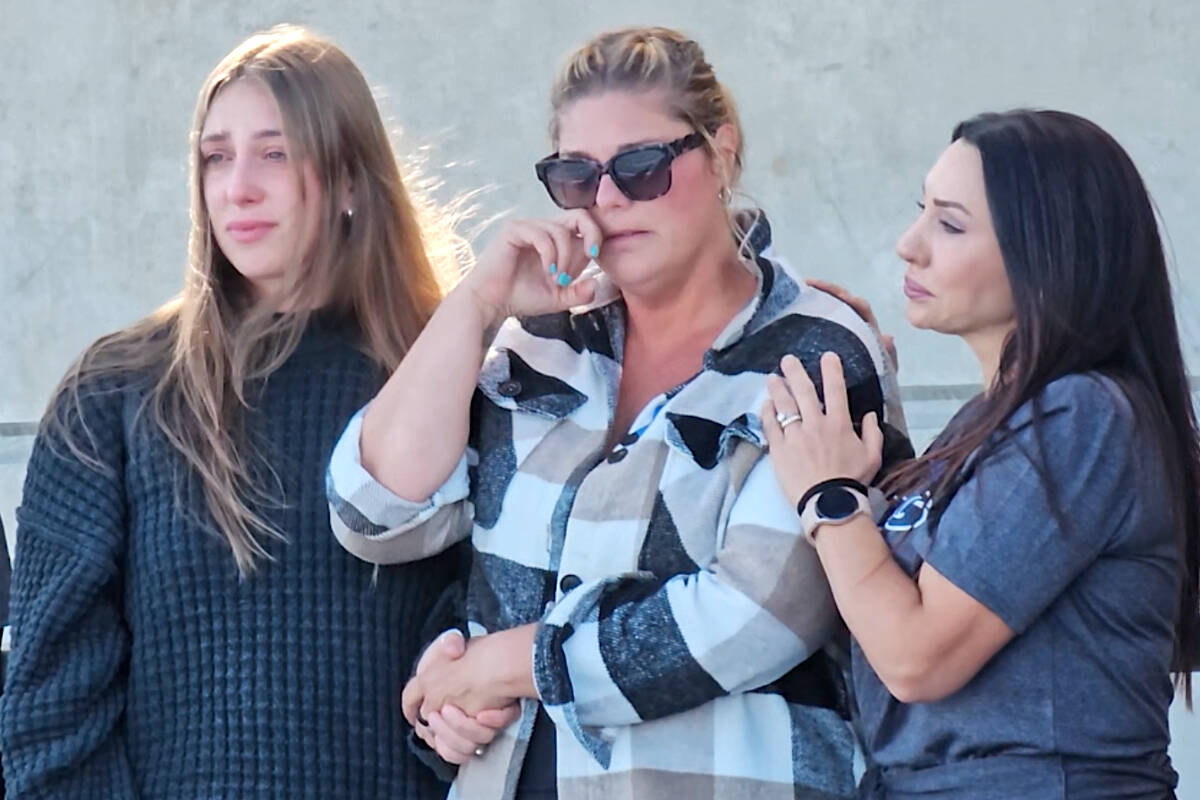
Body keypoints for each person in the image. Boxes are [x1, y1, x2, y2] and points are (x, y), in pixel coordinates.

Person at [326, 26, 911, 800]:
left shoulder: (817, 349)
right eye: (575, 176)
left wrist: (510, 663)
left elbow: (761, 615)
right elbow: (374, 514)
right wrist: (476, 303)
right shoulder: (536, 345)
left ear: (722, 150)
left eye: (641, 167)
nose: (606, 199)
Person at [0, 25, 470, 798]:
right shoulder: (116, 393)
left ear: (352, 179)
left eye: (276, 153)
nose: (237, 188)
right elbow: (50, 709)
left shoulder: (453, 375)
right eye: (217, 156)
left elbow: (488, 654)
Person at [764, 109, 1199, 799]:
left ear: (1051, 252)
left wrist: (830, 499)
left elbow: (916, 659)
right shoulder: (997, 423)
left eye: (951, 223)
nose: (910, 245)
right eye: (921, 212)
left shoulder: (1083, 416)